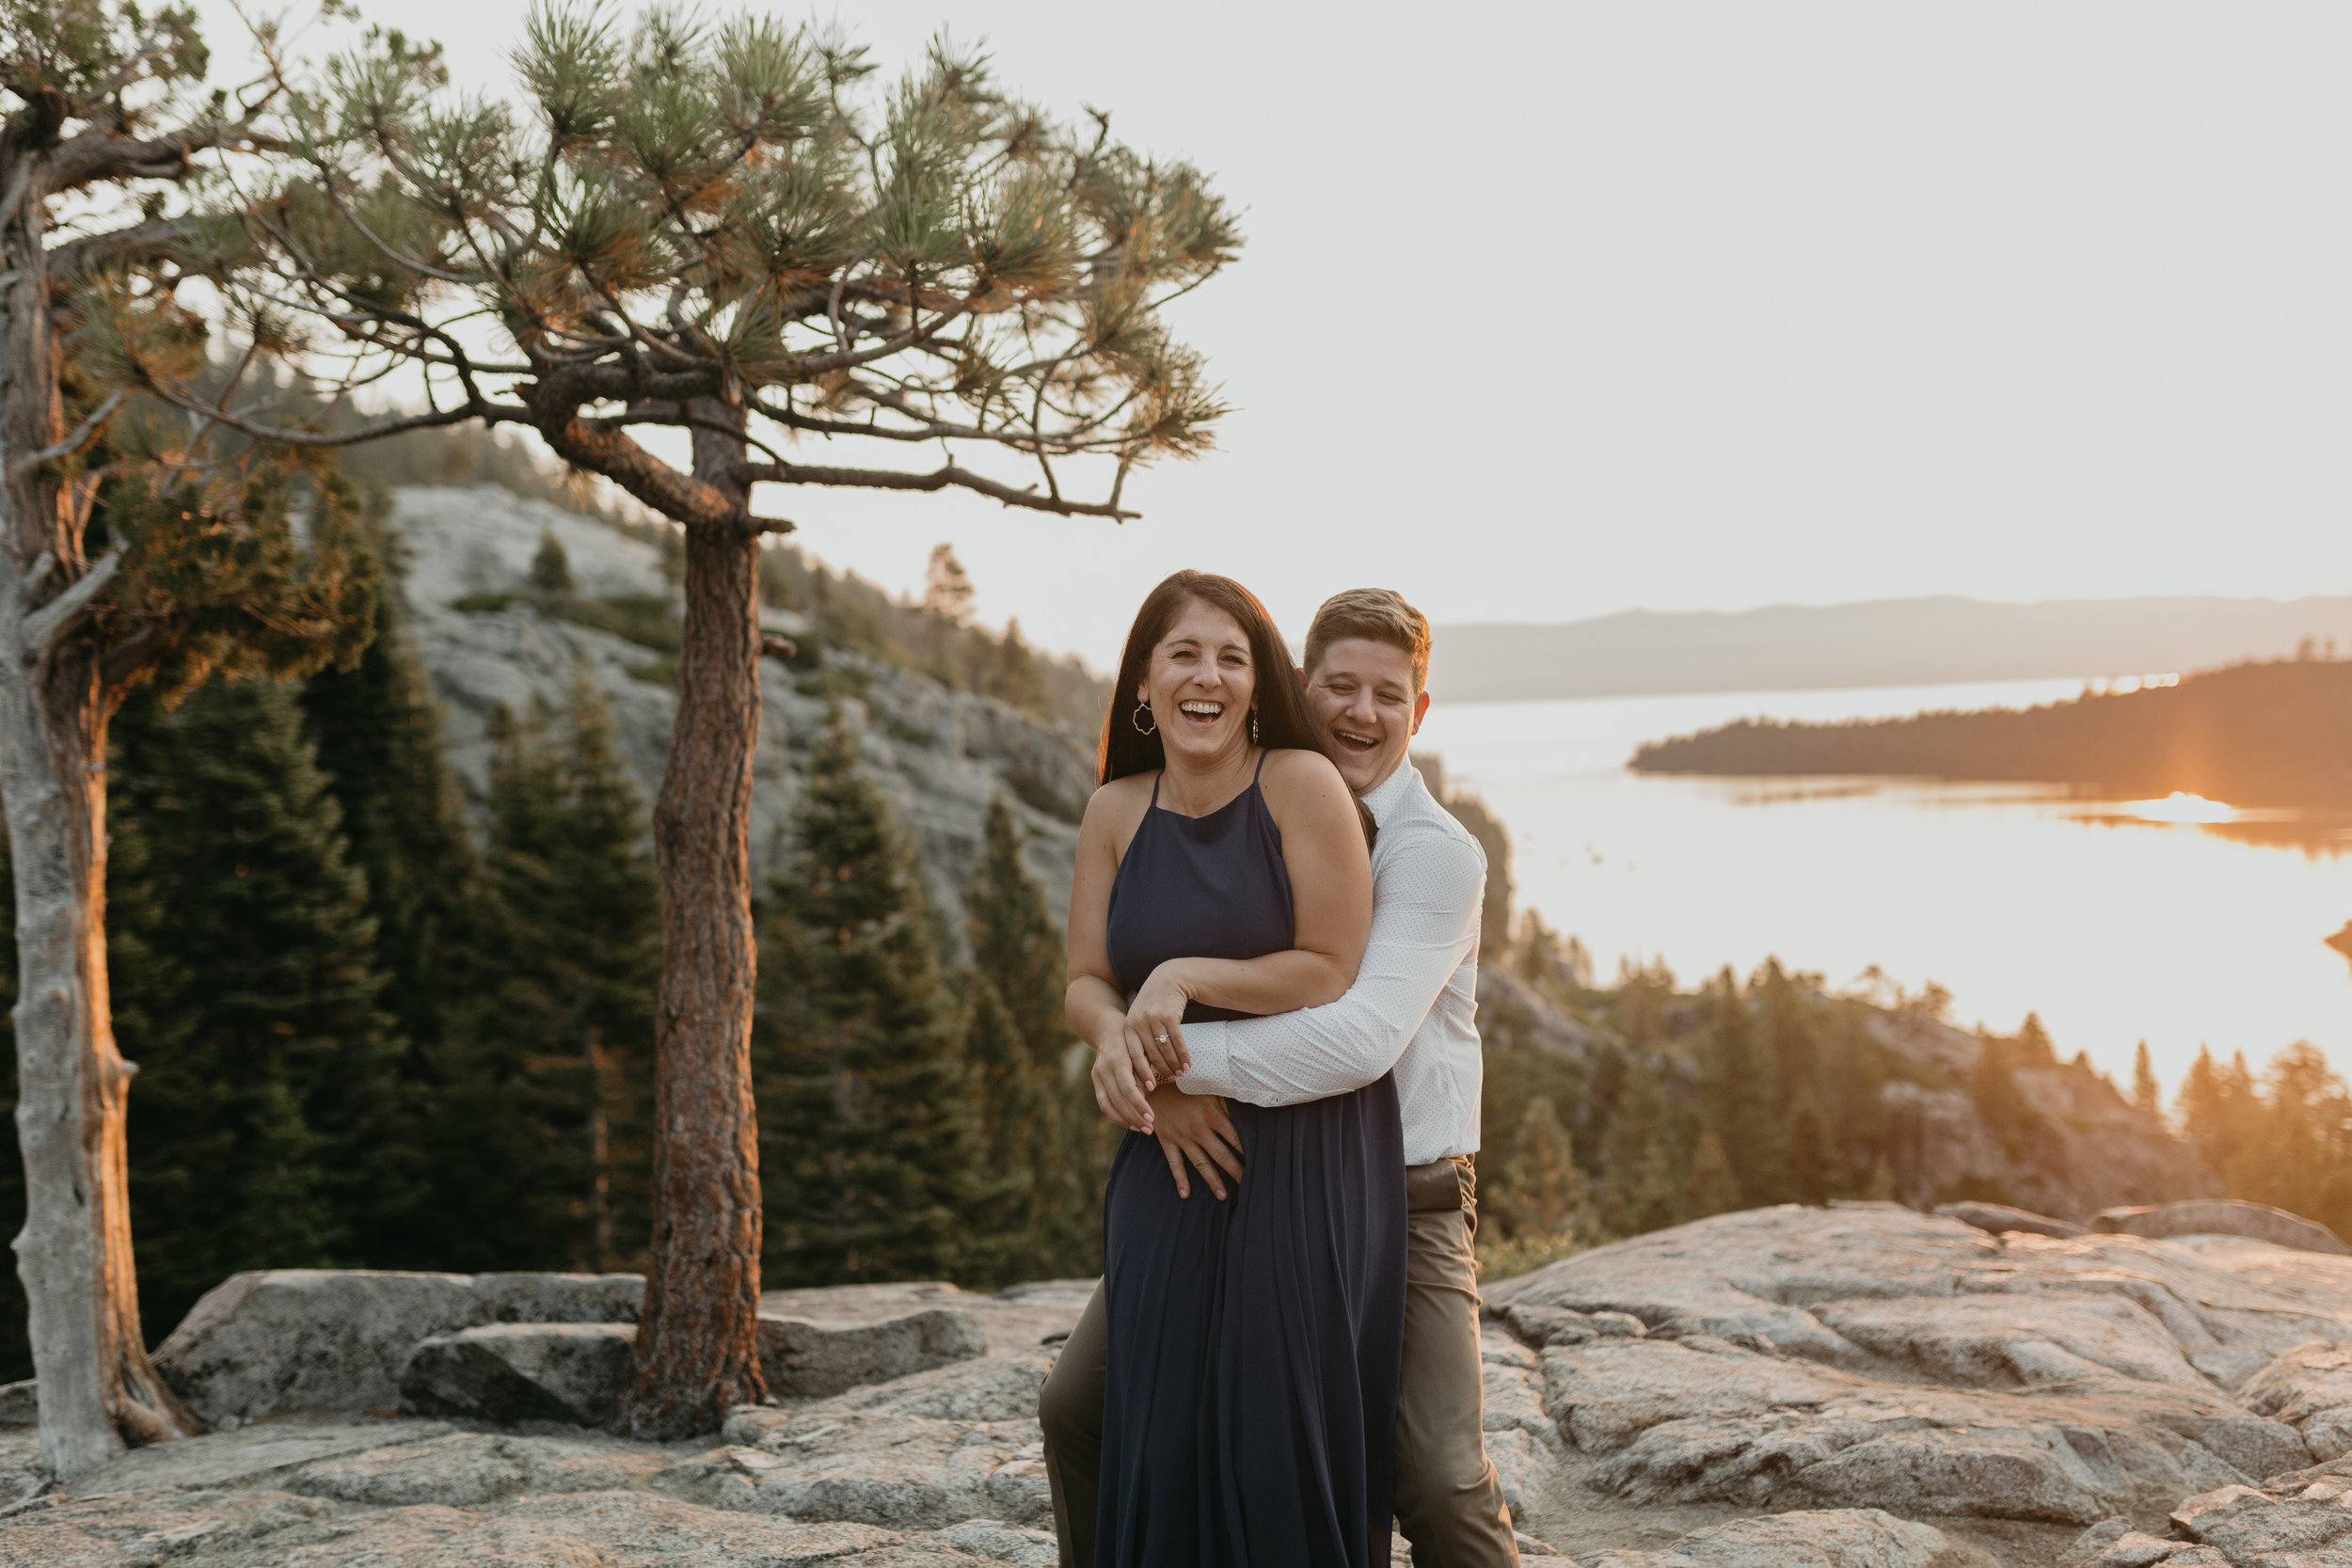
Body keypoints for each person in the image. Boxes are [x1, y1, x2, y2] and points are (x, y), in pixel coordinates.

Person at [1043, 588, 1520, 1568]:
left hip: (1403, 1188)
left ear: (1417, 711)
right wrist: (1144, 1067)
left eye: (1387, 694)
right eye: (1338, 685)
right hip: (1230, 1164)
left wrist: (1156, 1066)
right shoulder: (1233, 792)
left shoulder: (1432, 852)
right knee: (1081, 1408)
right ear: (1301, 687)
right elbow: (1091, 975)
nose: (1359, 711)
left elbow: (1353, 1039)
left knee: (1435, 1472)